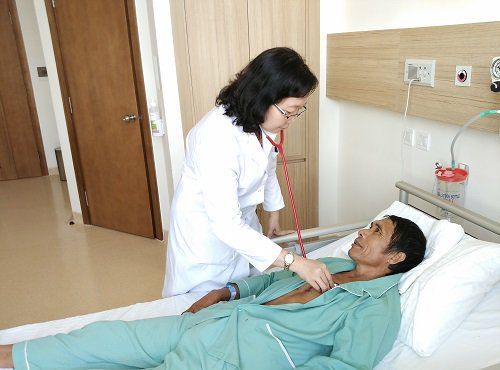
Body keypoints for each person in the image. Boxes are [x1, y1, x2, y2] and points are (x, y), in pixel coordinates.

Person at [1, 215, 426, 370]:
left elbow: (347, 367)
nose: (361, 232)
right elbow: (266, 280)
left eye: (376, 231)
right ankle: (8, 355)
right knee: (101, 339)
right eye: (368, 225)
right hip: (216, 320)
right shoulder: (331, 264)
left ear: (395, 256)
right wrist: (225, 292)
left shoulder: (377, 307)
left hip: (236, 354)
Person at [162, 47, 330, 298]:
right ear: (263, 96)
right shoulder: (215, 138)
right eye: (289, 111)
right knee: (202, 306)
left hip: (242, 225)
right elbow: (226, 225)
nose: (291, 120)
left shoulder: (259, 122)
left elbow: (268, 167)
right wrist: (296, 262)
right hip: (206, 239)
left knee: (241, 294)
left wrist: (273, 214)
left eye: (297, 111)